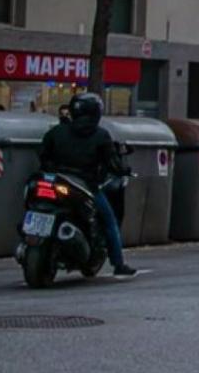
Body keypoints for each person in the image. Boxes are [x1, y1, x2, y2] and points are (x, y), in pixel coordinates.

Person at [38, 91, 136, 278]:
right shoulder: (101, 135)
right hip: (84, 185)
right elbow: (112, 163)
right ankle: (118, 263)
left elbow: (42, 154)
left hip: (55, 180)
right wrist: (123, 169)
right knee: (109, 221)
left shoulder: (56, 131)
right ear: (96, 113)